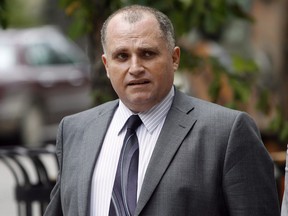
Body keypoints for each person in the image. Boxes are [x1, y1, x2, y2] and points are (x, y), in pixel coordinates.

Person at [44, 4, 280, 216]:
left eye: (147, 53)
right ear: (107, 65)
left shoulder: (227, 133)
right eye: (122, 56)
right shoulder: (75, 130)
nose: (135, 67)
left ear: (174, 58)